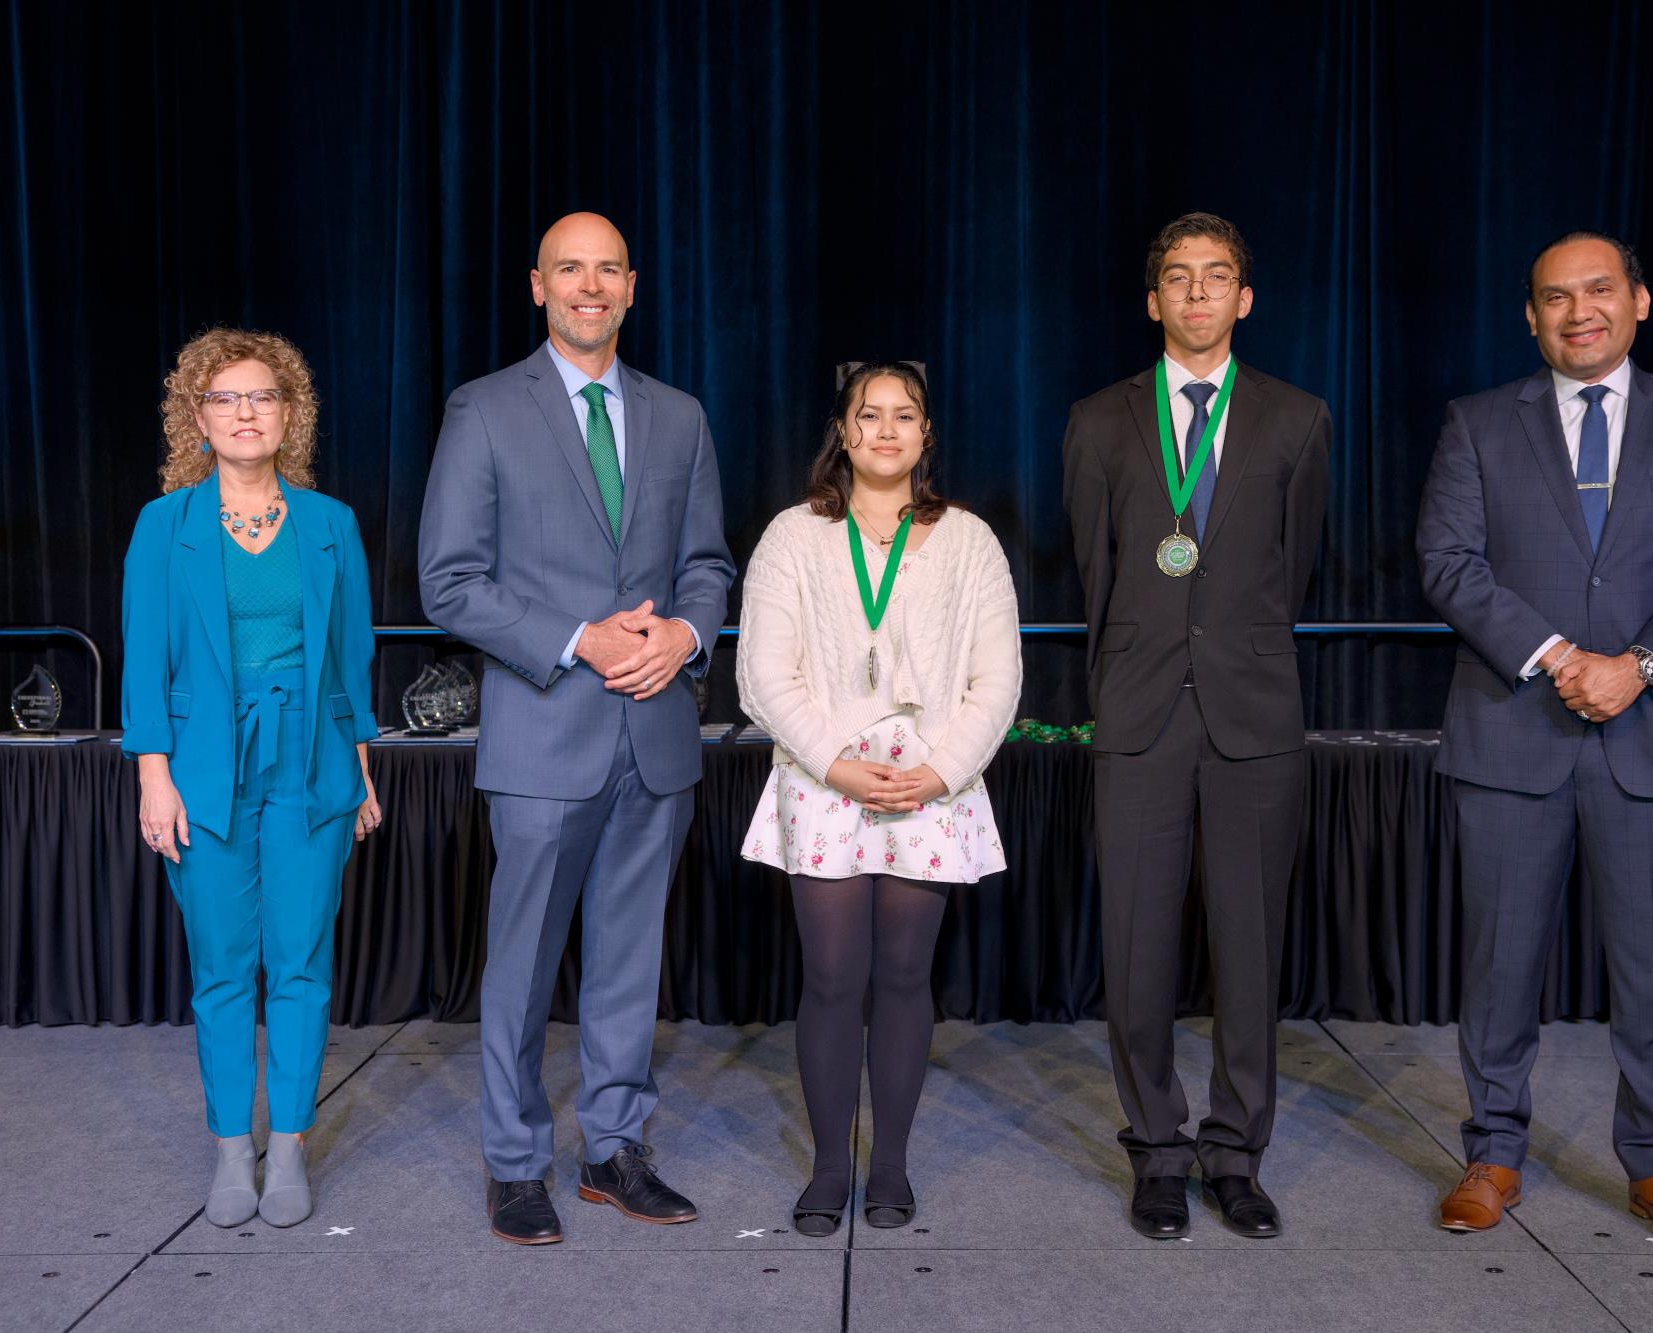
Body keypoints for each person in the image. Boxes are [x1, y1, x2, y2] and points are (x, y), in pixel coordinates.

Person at [1416, 232, 1653, 1248]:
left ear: (1637, 301)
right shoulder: (1477, 422)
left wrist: (1636, 666)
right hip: (1512, 733)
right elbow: (1447, 560)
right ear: (1530, 317)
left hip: (1651, 733)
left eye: (1598, 290)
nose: (1579, 312)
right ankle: (1491, 1154)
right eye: (1556, 297)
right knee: (1497, 965)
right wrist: (1562, 655)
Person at [419, 212, 735, 1245]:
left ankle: (613, 1149)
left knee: (629, 959)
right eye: (569, 269)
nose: (589, 286)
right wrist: (577, 640)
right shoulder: (482, 409)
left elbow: (706, 565)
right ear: (537, 285)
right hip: (542, 734)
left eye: (607, 270)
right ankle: (516, 1163)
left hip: (655, 734)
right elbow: (448, 581)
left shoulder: (679, 415)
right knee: (520, 965)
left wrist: (685, 633)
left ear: (632, 286)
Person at [1061, 213, 1330, 1241]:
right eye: (1179, 278)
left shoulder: (1297, 417)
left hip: (1253, 713)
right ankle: (1158, 1152)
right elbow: (1096, 575)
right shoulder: (1098, 420)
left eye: (1217, 277)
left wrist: (1229, 648)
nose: (1198, 293)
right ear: (1153, 300)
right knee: (1136, 947)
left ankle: (1235, 1153)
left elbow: (1293, 568)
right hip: (1139, 713)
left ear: (1243, 299)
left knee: (1249, 949)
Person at [737, 362, 1021, 1237]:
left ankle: (889, 1161)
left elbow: (998, 677)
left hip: (930, 781)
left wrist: (940, 770)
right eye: (870, 415)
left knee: (903, 975)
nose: (887, 430)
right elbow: (762, 673)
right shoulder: (793, 534)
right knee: (832, 976)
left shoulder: (969, 540)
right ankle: (830, 1165)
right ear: (844, 431)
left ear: (926, 435)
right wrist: (836, 763)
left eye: (905, 416)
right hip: (824, 778)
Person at [122, 328, 383, 1230]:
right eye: (225, 398)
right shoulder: (165, 526)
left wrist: (359, 769)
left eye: (263, 396)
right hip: (204, 766)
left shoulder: (330, 523)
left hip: (313, 759)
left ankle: (293, 1145)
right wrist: (154, 777)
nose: (245, 412)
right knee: (223, 966)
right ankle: (234, 1145)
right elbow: (143, 664)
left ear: (288, 415)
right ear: (196, 418)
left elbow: (351, 659)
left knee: (301, 962)